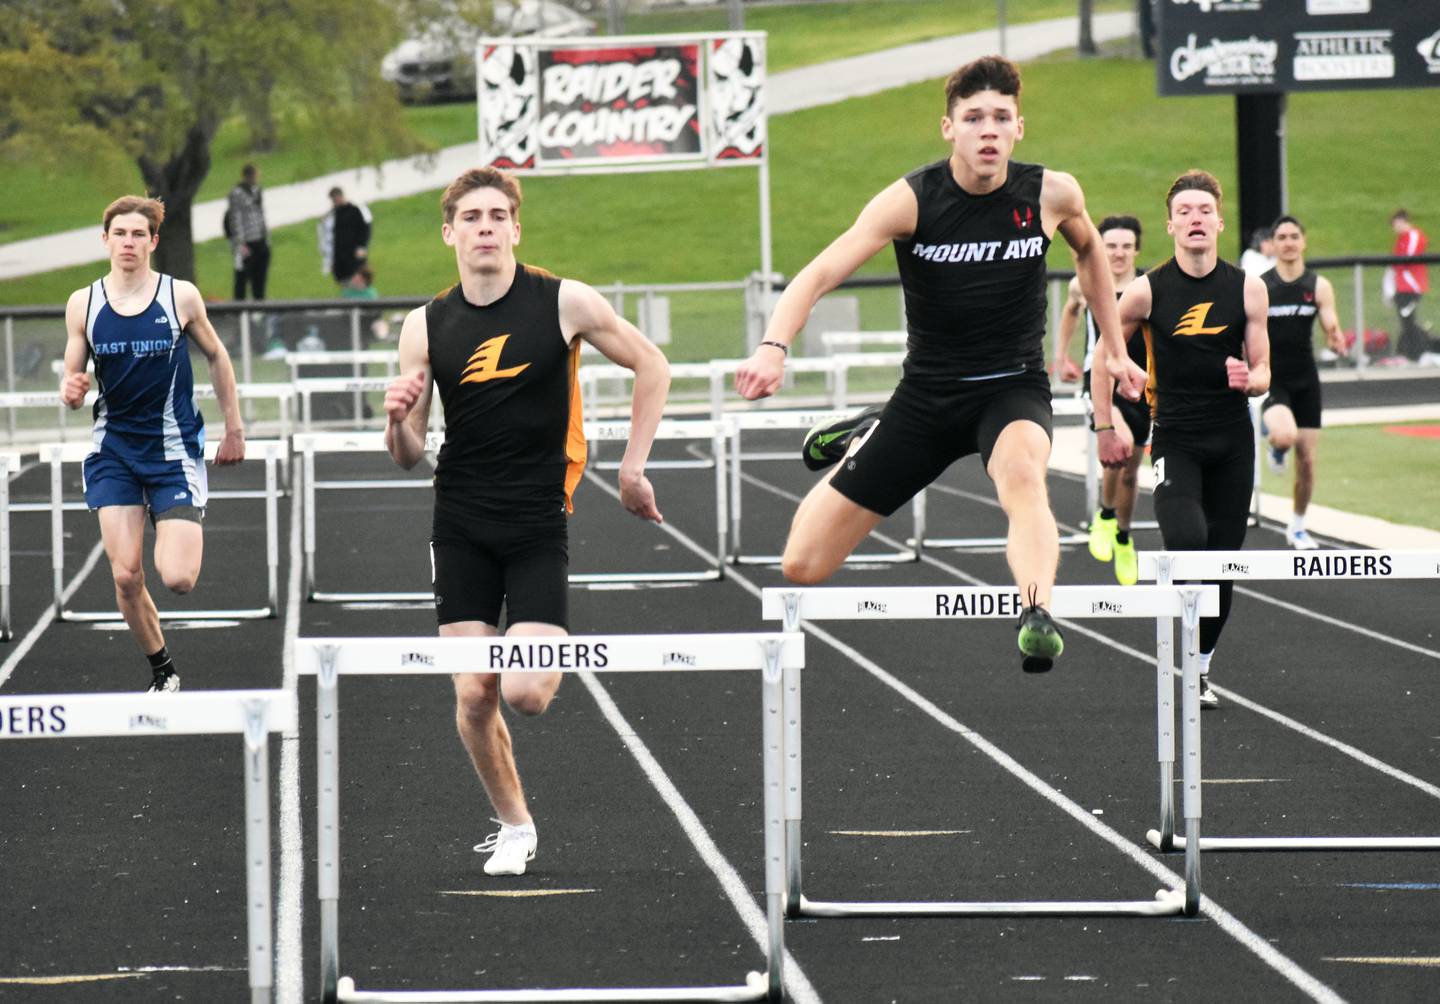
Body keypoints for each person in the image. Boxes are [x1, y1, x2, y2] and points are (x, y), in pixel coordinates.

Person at [733, 55, 1147, 674]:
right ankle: (872, 428)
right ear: (948, 128)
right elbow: (818, 274)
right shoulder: (912, 200)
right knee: (803, 564)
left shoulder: (1051, 193)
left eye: (1000, 118)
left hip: (1012, 389)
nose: (988, 130)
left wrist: (1112, 349)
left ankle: (1036, 612)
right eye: (974, 117)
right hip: (925, 397)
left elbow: (1089, 250)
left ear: (1019, 128)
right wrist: (774, 345)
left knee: (1025, 478)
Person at [382, 167, 669, 876]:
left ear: (516, 228)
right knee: (474, 690)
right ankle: (514, 825)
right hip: (460, 522)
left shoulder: (564, 302)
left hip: (538, 518)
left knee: (526, 691)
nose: (485, 226)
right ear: (449, 233)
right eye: (471, 216)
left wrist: (632, 467)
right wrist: (393, 420)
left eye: (497, 215)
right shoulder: (425, 326)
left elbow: (652, 365)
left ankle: (539, 654)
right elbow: (409, 455)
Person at [1095, 170, 1270, 709]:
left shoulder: (1247, 287)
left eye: (1204, 210)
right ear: (1171, 224)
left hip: (1233, 440)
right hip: (1175, 437)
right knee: (1188, 543)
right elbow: (1104, 357)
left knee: (1223, 560)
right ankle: (1182, 647)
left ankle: (1200, 668)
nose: (1195, 219)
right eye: (1185, 211)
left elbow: (1265, 371)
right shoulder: (1147, 290)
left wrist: (1251, 379)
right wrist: (1107, 423)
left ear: (1219, 221)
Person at [60, 196, 246, 692]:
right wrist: (71, 389)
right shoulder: (84, 303)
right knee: (125, 577)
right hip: (113, 452)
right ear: (105, 240)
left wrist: (234, 428)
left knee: (179, 578)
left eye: (138, 234)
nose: (128, 242)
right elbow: (71, 379)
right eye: (119, 233)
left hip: (172, 451)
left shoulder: (179, 296)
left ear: (153, 242)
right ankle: (163, 670)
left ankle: (175, 514)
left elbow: (218, 356)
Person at [1055, 214, 1149, 585]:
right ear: (1101, 247)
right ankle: (1105, 516)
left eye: (1126, 246)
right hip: (1100, 381)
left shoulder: (1147, 287)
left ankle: (1123, 535)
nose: (1119, 253)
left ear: (1137, 250)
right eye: (1111, 246)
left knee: (1130, 471)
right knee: (1119, 443)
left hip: (1139, 381)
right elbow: (1070, 311)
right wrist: (1062, 357)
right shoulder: (1086, 282)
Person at [1260, 215, 1347, 550]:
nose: (1288, 242)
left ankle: (1296, 526)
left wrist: (1336, 337)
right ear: (1273, 244)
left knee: (1308, 460)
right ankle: (1277, 446)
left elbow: (1330, 323)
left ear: (1303, 242)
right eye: (1281, 236)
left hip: (1305, 379)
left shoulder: (1318, 286)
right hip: (1273, 378)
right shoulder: (1262, 285)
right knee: (1285, 434)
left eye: (1294, 236)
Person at [1389, 209, 1435, 361]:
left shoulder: (1414, 236)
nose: (1394, 228)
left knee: (1409, 320)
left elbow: (1406, 259)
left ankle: (1420, 352)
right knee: (1406, 321)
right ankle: (1412, 353)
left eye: (1395, 224)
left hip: (1411, 287)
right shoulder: (1401, 239)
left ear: (1402, 221)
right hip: (1402, 287)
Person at [228, 164, 270, 300]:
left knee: (260, 278)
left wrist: (266, 237)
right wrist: (240, 243)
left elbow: (261, 214)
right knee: (242, 278)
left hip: (260, 239)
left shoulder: (257, 190)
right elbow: (236, 219)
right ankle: (240, 309)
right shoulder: (237, 193)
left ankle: (260, 305)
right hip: (247, 242)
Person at [318, 187, 373, 285]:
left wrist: (362, 246)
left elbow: (366, 228)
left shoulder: (357, 209)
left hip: (354, 254)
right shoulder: (334, 214)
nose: (334, 202)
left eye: (335, 199)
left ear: (340, 196)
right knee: (343, 281)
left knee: (357, 279)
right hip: (340, 256)